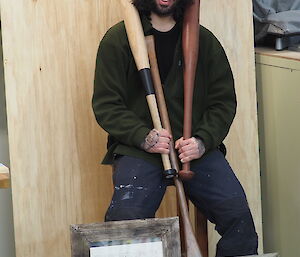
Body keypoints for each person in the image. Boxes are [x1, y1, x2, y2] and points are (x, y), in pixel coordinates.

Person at [92, 0, 258, 256]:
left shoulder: (204, 40)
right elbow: (106, 105)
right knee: (125, 221)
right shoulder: (119, 38)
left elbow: (223, 103)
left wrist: (202, 141)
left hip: (194, 150)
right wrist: (144, 137)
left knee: (238, 217)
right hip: (141, 150)